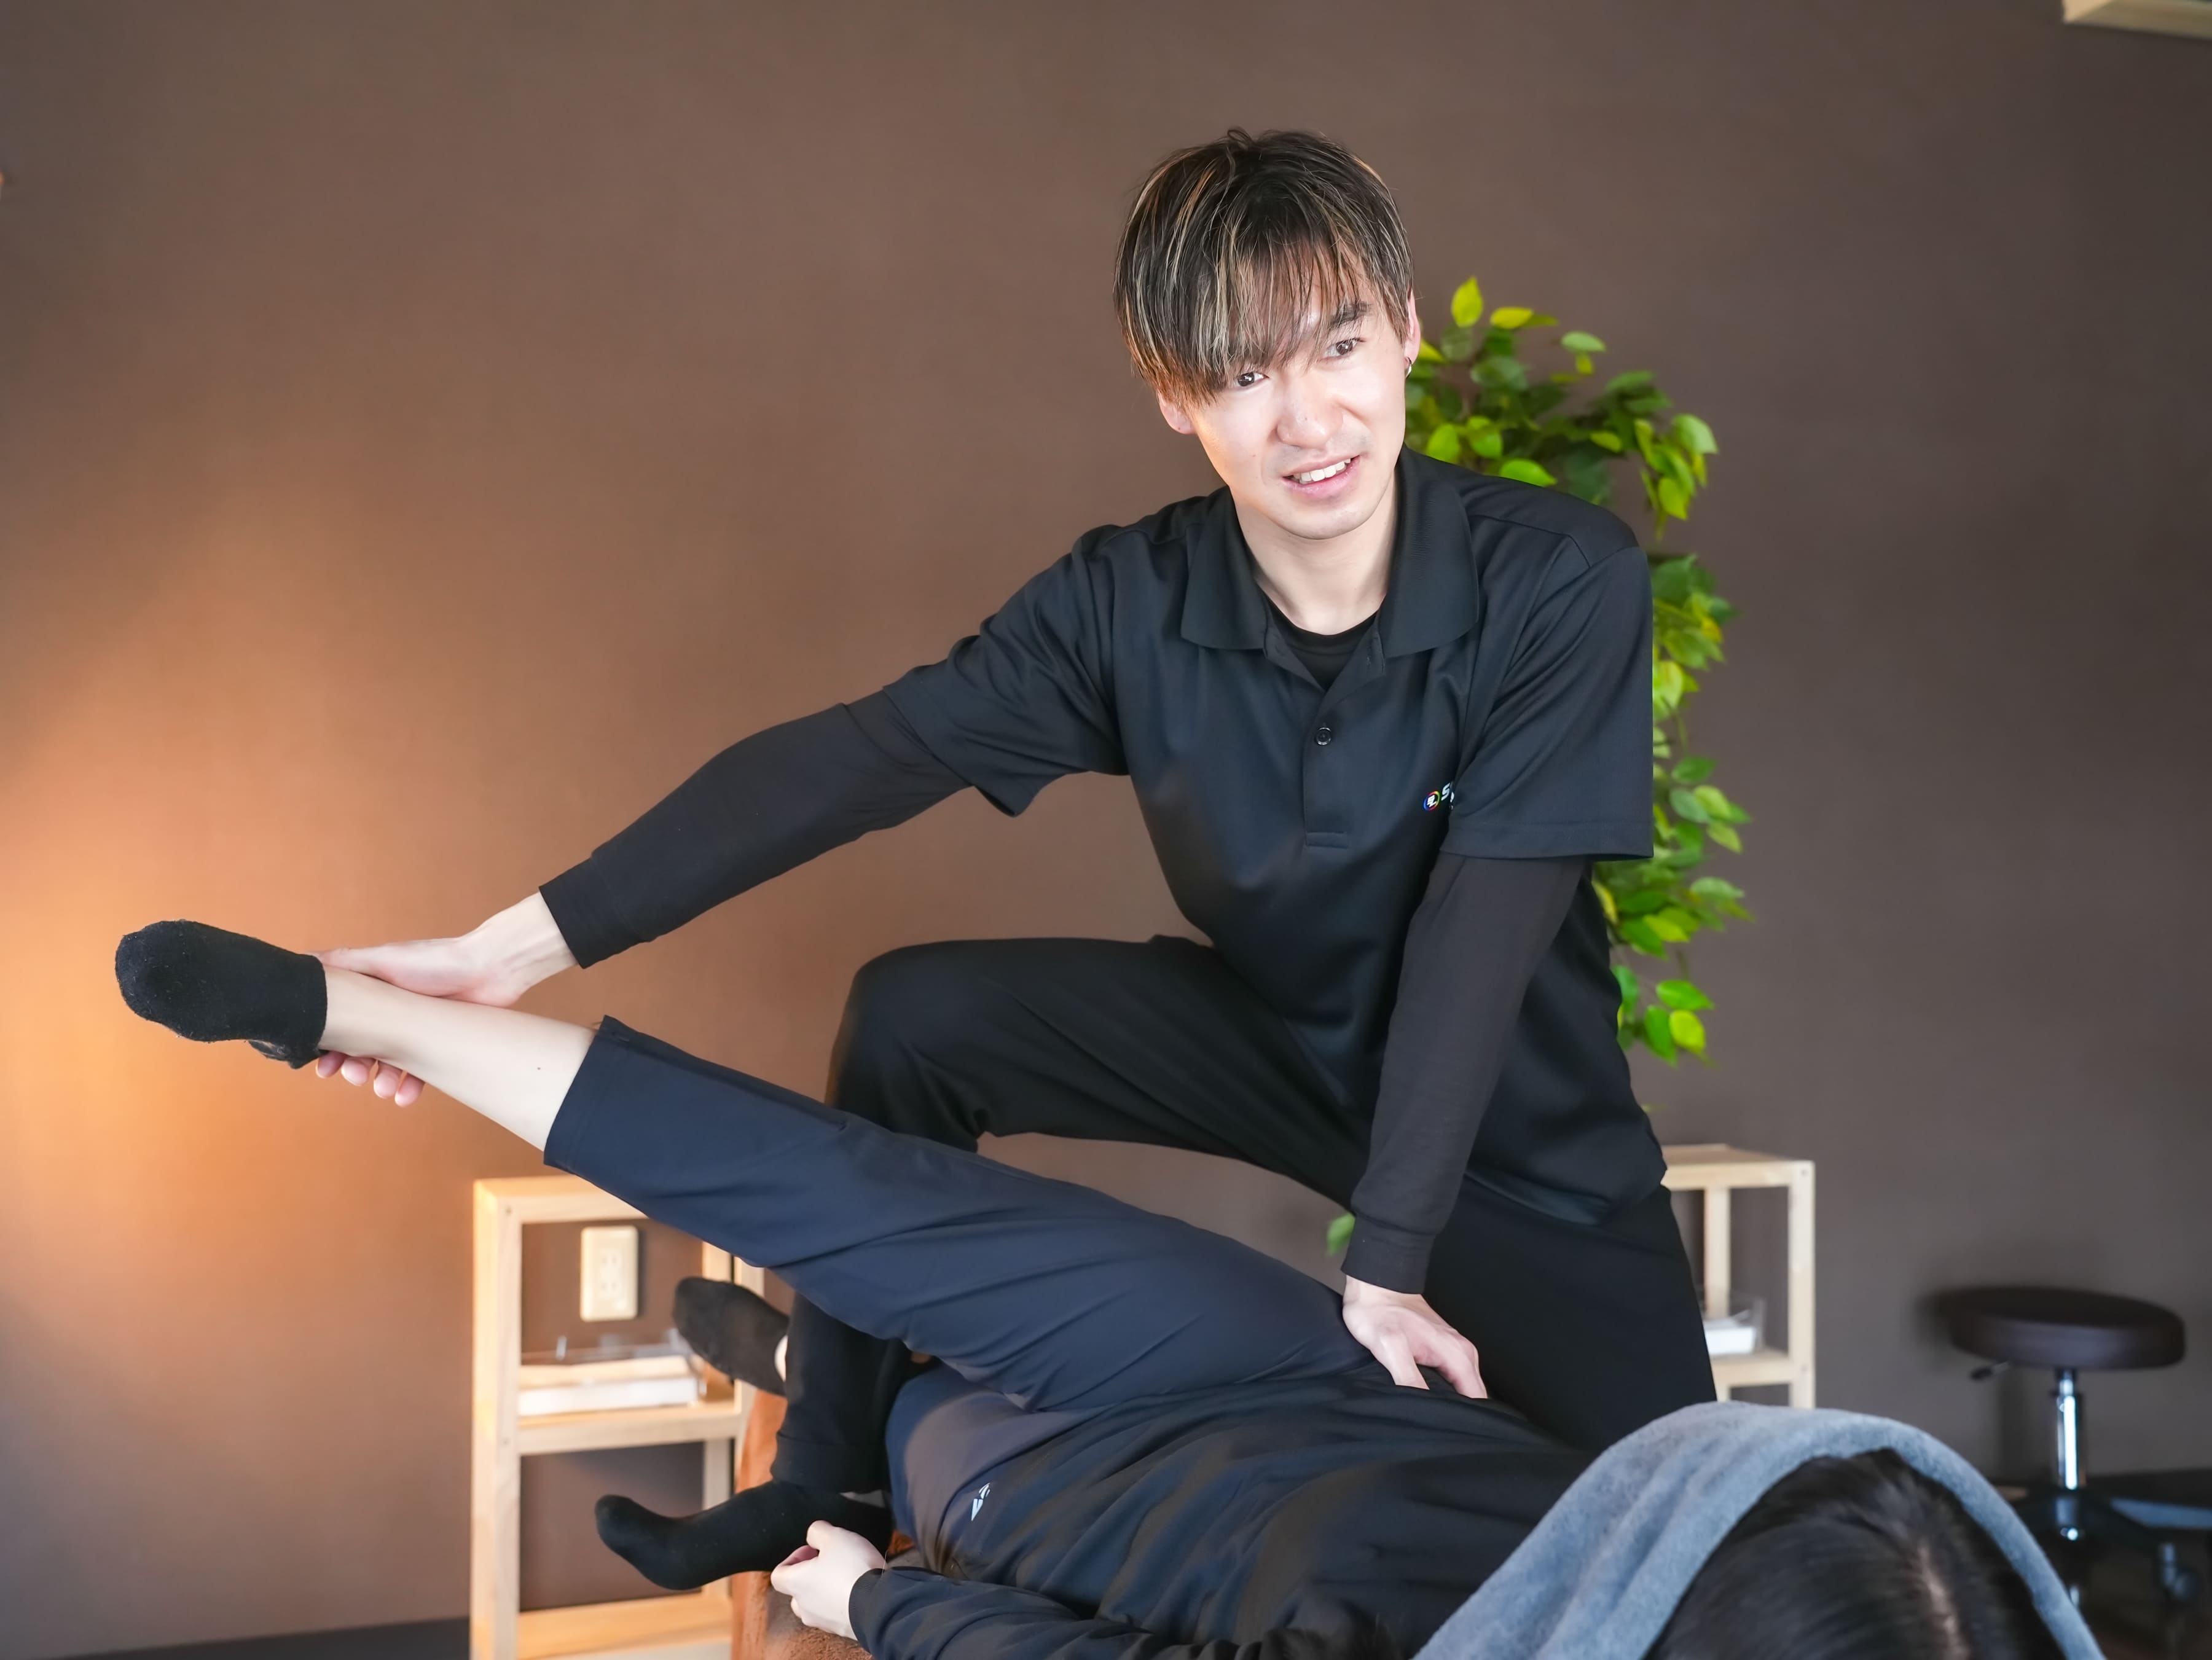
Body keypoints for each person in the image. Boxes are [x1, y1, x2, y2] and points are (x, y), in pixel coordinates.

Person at [300, 128, 1714, 1548]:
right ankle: (827, 1469)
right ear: (1174, 397)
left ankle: (847, 1384)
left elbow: (1479, 934)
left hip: (1519, 1143)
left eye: (1338, 347)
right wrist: (504, 952)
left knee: (1693, 1529)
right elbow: (857, 760)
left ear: (1404, 331)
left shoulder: (1555, 580)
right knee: (915, 1019)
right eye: (1242, 375)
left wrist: (1389, 1262)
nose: (1308, 419)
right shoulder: (1130, 601)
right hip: (1273, 1041)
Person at [116, 920, 2095, 1660]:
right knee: (885, 1198)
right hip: (1297, 1373)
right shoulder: (1845, 1544)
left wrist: (875, 1600)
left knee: (906, 1413)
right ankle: (363, 1011)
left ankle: (804, 1382)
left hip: (1085, 1505)